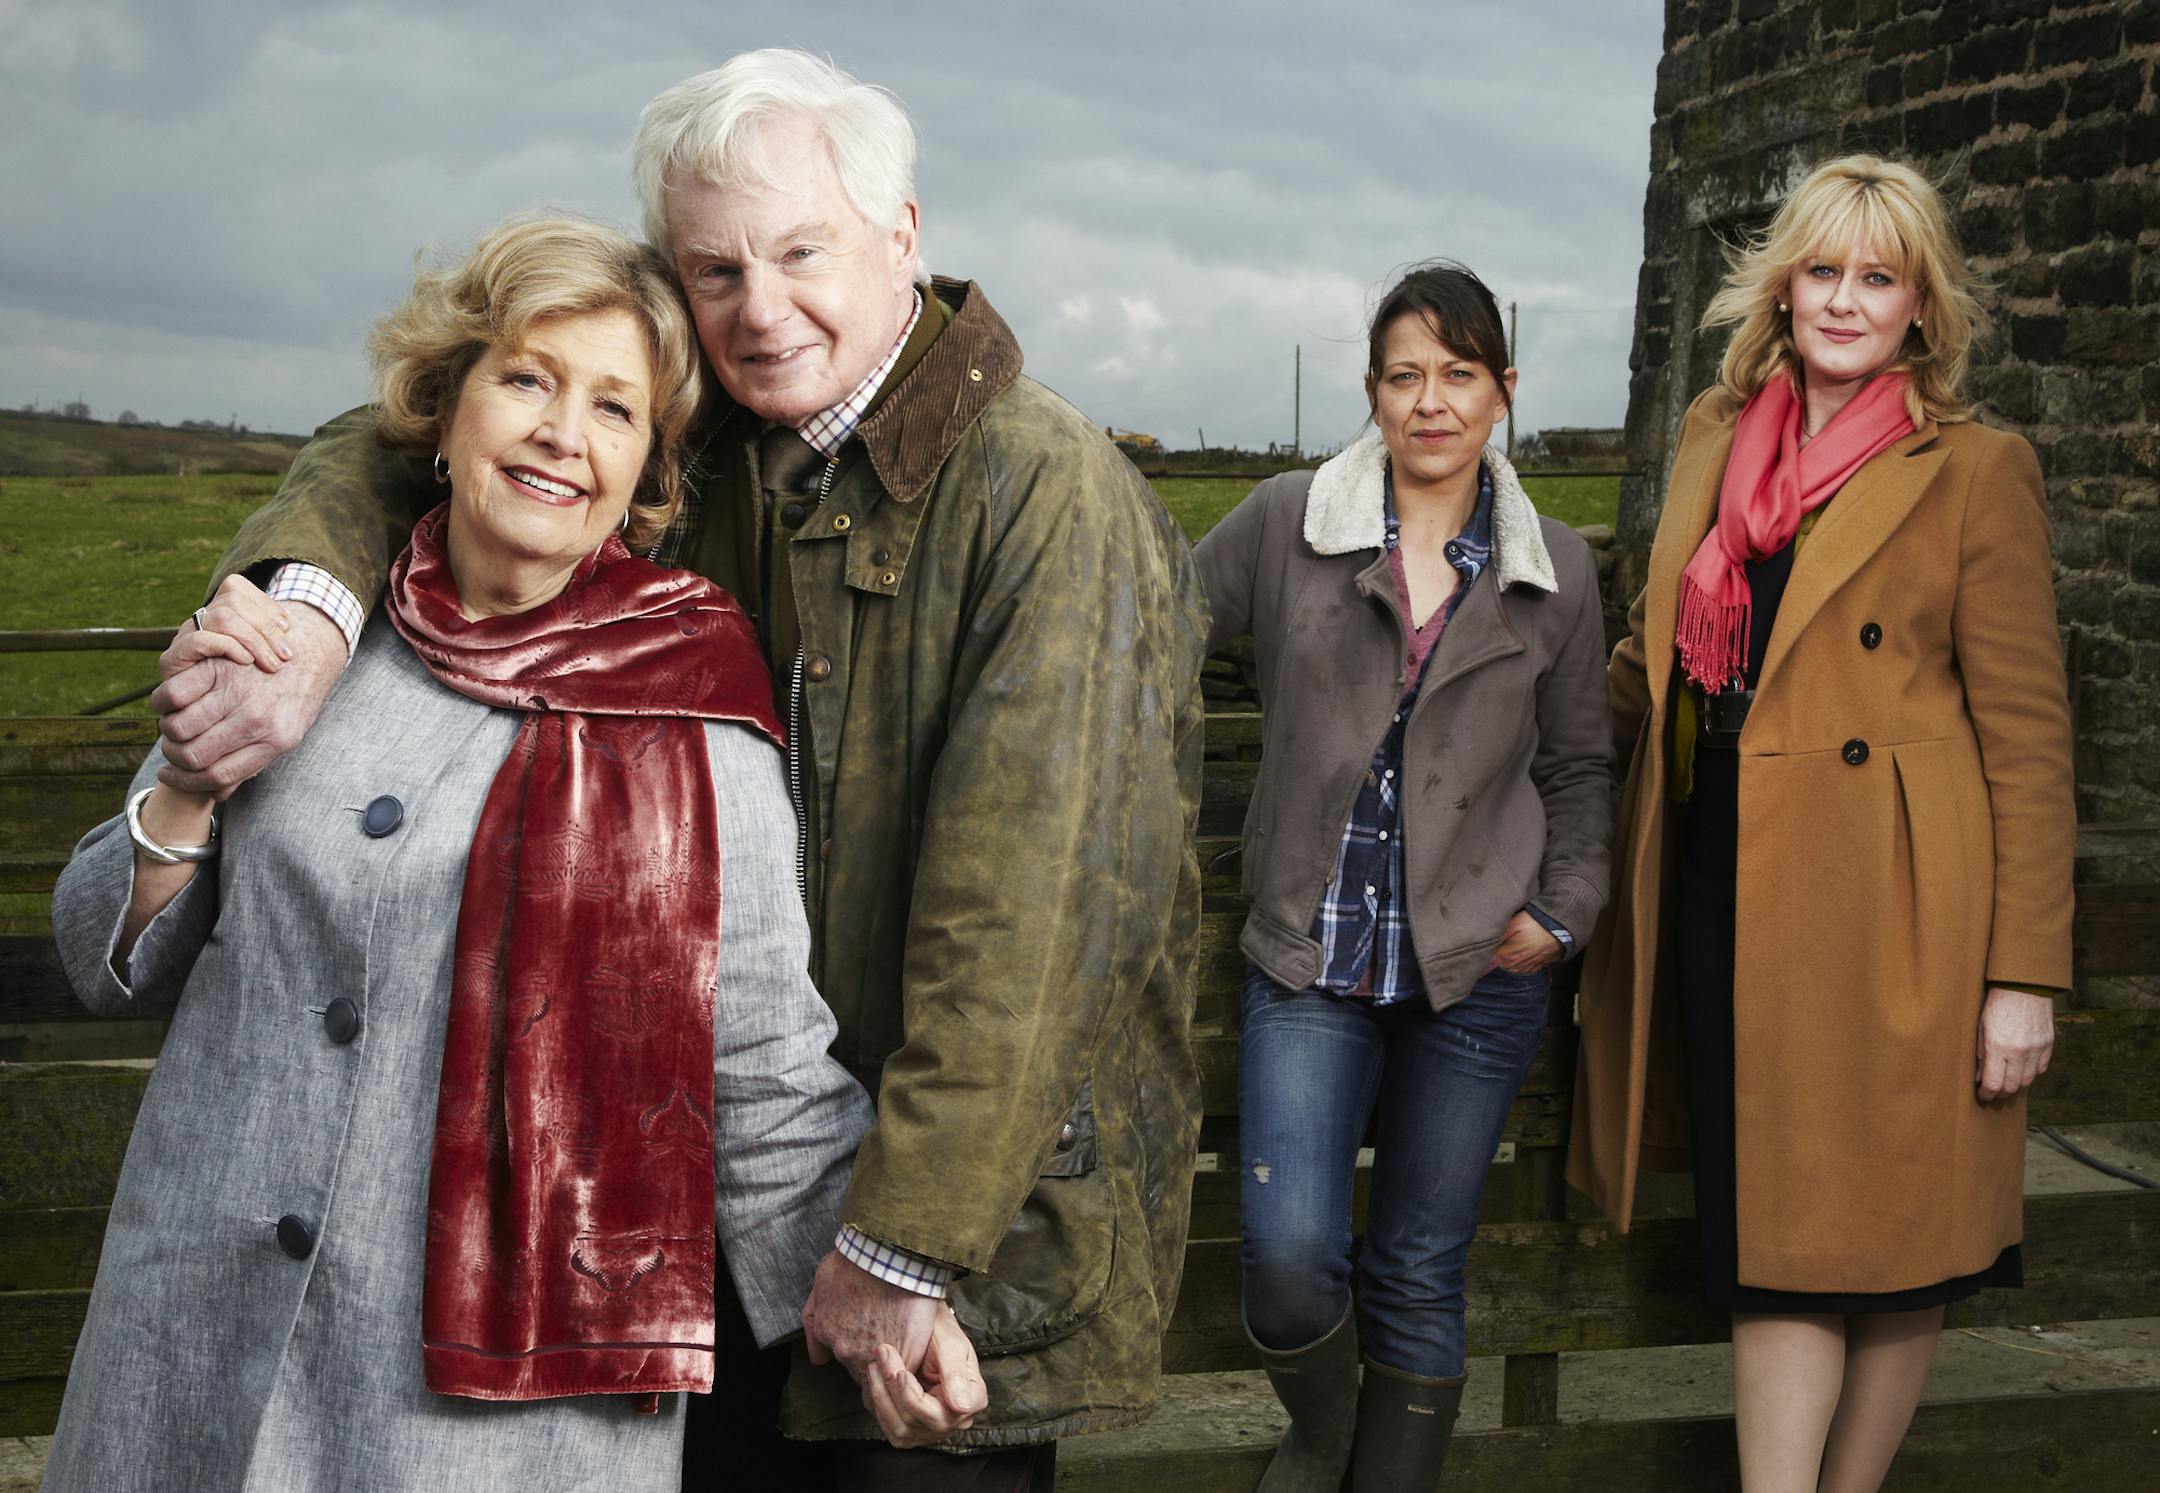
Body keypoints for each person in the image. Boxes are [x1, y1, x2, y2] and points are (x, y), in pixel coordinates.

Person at [144, 49, 1208, 1493]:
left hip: (946, 1240)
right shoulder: (708, 435)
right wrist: (314, 611)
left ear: (903, 237)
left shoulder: (1045, 496)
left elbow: (1033, 924)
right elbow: (407, 430)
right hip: (697, 1215)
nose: (759, 307)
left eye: (802, 253)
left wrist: (897, 1245)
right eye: (714, 269)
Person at [42, 213, 982, 1492]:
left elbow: (759, 1064)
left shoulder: (698, 712)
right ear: (445, 409)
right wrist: (191, 793)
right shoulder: (306, 643)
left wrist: (891, 1284)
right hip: (196, 1334)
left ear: (646, 472)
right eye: (529, 379)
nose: (561, 432)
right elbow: (109, 967)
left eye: (613, 409)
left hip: (480, 1418)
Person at [1567, 154, 2075, 1493]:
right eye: (1823, 271)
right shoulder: (1711, 437)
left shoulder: (1976, 469)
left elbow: (2028, 740)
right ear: (1782, 288)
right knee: (1772, 1233)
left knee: (1905, 1233)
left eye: (1879, 277)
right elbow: (1650, 655)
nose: (1846, 300)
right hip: (1726, 874)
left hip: (1898, 899)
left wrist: (2022, 975)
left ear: (1922, 307)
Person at [1193, 261, 1613, 1490]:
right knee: (1285, 1252)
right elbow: (1145, 629)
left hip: (1479, 974)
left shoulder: (1558, 571)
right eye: (1405, 374)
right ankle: (1324, 1432)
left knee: (1421, 1267)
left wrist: (1561, 910)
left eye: (1460, 374)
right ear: (1372, 390)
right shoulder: (1286, 520)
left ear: (1504, 392)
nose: (1432, 400)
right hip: (1308, 961)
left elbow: (1584, 765)